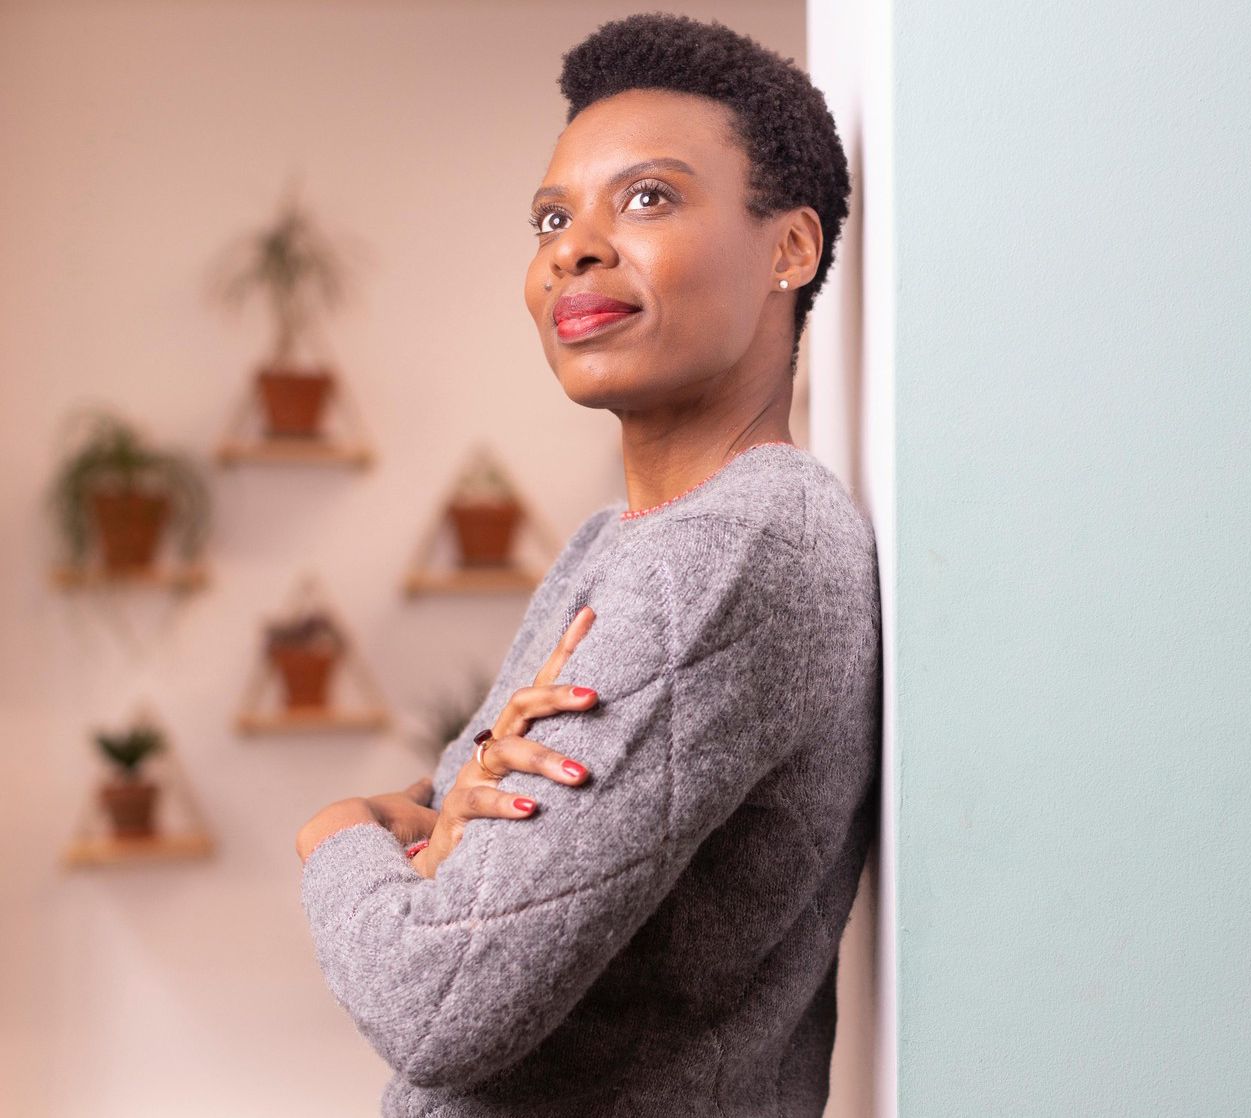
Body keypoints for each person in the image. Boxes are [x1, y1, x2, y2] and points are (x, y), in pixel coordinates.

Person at [295, 13, 880, 1116]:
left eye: (648, 197)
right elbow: (444, 829)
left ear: (790, 251)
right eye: (552, 215)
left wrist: (331, 833)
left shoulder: (740, 543)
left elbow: (434, 993)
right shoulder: (612, 544)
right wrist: (424, 840)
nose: (573, 245)